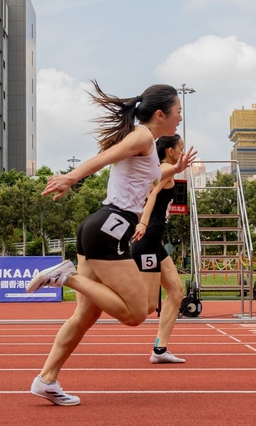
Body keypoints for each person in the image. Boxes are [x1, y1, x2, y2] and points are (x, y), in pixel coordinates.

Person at [26, 81, 196, 406]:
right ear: (160, 114)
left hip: (100, 227)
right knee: (136, 313)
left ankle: (46, 380)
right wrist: (70, 178)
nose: (180, 117)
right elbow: (105, 158)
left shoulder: (148, 145)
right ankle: (66, 277)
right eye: (178, 111)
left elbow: (144, 176)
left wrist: (175, 168)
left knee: (85, 316)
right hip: (109, 228)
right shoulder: (142, 136)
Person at [131, 134, 186, 364]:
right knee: (147, 307)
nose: (183, 152)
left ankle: (160, 349)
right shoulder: (164, 169)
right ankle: (99, 287)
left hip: (155, 241)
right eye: (181, 147)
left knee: (177, 290)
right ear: (170, 151)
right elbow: (152, 195)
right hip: (148, 238)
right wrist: (143, 223)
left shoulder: (160, 170)